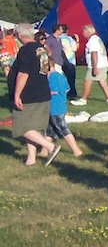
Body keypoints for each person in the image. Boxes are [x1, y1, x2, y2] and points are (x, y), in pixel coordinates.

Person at [6, 25, 61, 166]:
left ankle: (50, 147)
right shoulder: (40, 48)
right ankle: (31, 158)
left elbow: (24, 73)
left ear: (20, 34)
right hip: (42, 91)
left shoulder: (25, 50)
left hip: (29, 94)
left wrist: (17, 94)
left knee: (21, 126)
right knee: (33, 127)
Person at [45, 63, 85, 158]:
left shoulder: (51, 78)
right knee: (50, 130)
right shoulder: (61, 76)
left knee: (63, 129)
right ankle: (44, 151)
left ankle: (76, 150)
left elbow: (53, 91)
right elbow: (67, 89)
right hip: (62, 105)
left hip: (54, 107)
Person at [79, 25, 108, 105]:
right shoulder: (97, 38)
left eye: (84, 32)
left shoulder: (92, 40)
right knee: (102, 82)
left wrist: (95, 67)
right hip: (103, 63)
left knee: (87, 81)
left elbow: (94, 53)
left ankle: (83, 99)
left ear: (88, 32)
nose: (83, 33)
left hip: (97, 65)